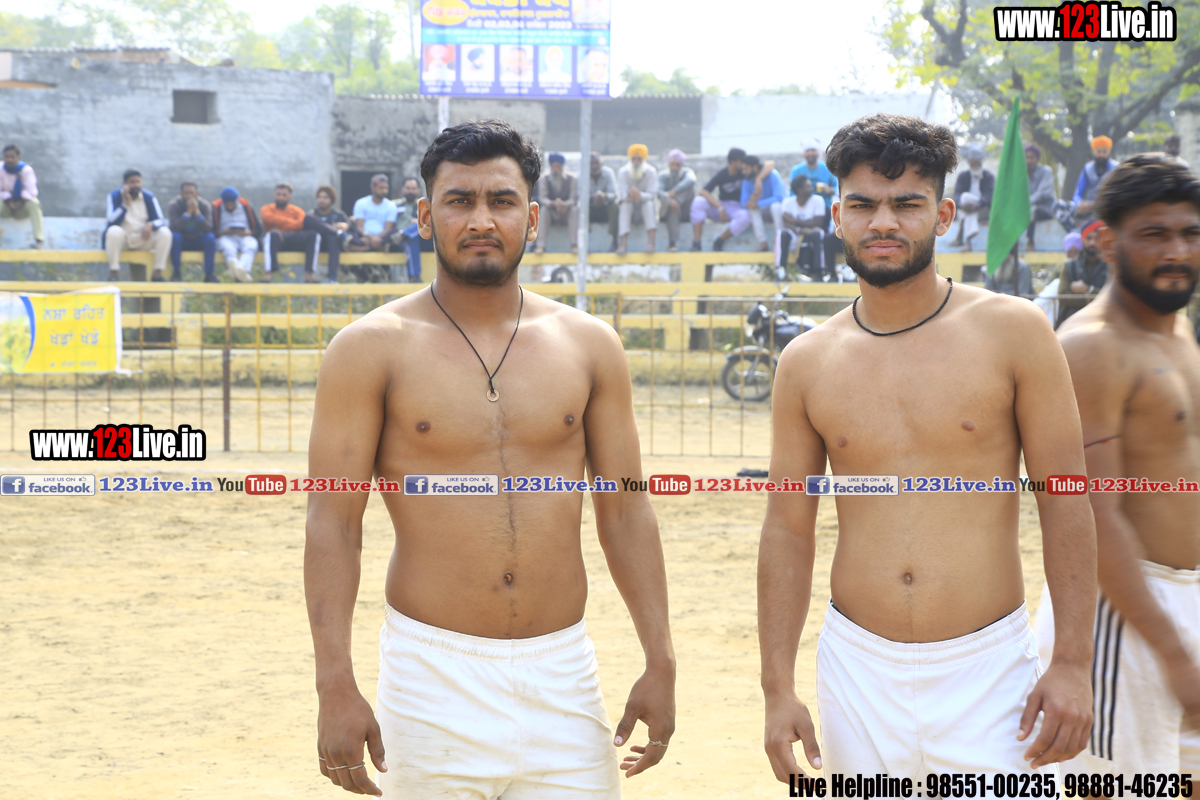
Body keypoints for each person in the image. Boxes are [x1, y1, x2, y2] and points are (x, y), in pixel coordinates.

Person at [305, 119, 675, 798]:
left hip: (563, 669)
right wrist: (334, 683)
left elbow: (626, 510)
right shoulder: (369, 349)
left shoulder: (590, 345)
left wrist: (661, 658)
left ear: (531, 219)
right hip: (430, 672)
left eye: (501, 201)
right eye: (460, 201)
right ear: (426, 217)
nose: (481, 220)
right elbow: (333, 520)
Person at [759, 113, 1096, 780]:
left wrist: (1072, 663)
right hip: (857, 668)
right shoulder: (807, 361)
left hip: (989, 667)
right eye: (863, 205)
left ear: (942, 216)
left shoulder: (1014, 332)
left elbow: (1066, 500)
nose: (883, 222)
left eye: (906, 204)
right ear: (837, 216)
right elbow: (788, 529)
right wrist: (777, 688)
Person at [1037, 154, 1200, 773]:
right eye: (1154, 234)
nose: (1177, 252)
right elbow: (1093, 519)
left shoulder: (1177, 330)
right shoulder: (1091, 347)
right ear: (1107, 242)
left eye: (1190, 233)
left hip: (1185, 601)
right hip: (1122, 618)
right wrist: (1174, 655)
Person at [103, 168, 172, 281]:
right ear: (124, 183)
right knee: (113, 231)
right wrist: (124, 205)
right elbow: (111, 221)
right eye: (132, 182)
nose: (136, 185)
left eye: (138, 182)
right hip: (123, 240)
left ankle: (157, 274)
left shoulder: (149, 197)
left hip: (143, 238)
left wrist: (150, 225)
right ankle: (114, 273)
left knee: (165, 233)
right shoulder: (114, 195)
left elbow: (160, 220)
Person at [789, 138, 840, 270]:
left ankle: (824, 267)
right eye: (807, 151)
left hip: (825, 209)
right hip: (803, 209)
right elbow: (791, 193)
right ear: (804, 153)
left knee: (824, 236)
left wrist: (829, 190)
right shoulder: (796, 170)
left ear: (817, 152)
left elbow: (838, 188)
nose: (810, 153)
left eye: (813, 150)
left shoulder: (827, 168)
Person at [690, 147, 751, 252]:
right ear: (733, 162)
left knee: (745, 216)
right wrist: (720, 207)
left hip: (737, 208)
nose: (744, 164)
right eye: (741, 161)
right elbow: (703, 192)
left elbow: (767, 166)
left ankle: (720, 240)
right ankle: (697, 243)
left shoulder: (746, 172)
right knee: (698, 201)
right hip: (722, 207)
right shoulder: (723, 174)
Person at [260, 182, 320, 283]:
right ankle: (269, 274)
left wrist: (280, 224)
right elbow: (268, 218)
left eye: (284, 195)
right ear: (274, 196)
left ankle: (309, 274)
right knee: (272, 235)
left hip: (294, 238)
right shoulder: (267, 208)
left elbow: (301, 223)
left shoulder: (297, 210)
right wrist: (292, 223)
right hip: (277, 239)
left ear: (290, 197)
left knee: (313, 235)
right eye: (278, 194)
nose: (281, 197)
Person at [1055, 220, 1108, 328]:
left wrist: (1087, 289)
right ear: (1083, 239)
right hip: (1073, 324)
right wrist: (1096, 297)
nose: (1092, 243)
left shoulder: (1111, 266)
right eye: (1089, 238)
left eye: (1097, 238)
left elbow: (1111, 299)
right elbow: (1062, 297)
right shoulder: (1070, 266)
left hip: (1102, 323)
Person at [777, 175, 827, 282]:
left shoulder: (818, 200)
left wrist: (795, 221)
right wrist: (801, 230)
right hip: (795, 236)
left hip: (812, 235)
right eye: (808, 186)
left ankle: (819, 272)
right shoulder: (788, 202)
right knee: (782, 234)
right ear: (799, 190)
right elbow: (785, 223)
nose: (812, 188)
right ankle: (781, 271)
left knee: (818, 234)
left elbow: (818, 222)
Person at [167, 182, 216, 282]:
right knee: (175, 237)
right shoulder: (174, 205)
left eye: (192, 193)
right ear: (181, 193)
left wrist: (197, 212)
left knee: (210, 238)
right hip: (182, 240)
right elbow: (174, 228)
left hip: (198, 239)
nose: (189, 196)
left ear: (197, 193)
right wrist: (188, 213)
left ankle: (209, 274)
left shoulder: (204, 205)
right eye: (186, 193)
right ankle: (176, 273)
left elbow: (208, 228)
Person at [950, 143, 995, 251]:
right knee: (965, 198)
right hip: (966, 208)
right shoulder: (963, 176)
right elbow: (956, 195)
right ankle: (968, 241)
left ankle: (962, 238)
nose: (975, 165)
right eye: (973, 162)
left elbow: (989, 197)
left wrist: (977, 205)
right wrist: (961, 205)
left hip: (983, 209)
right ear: (969, 163)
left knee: (966, 198)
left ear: (981, 162)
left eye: (977, 162)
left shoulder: (988, 177)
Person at [213, 186, 261, 283]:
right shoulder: (216, 207)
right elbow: (211, 230)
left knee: (251, 246)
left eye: (232, 203)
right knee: (228, 248)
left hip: (245, 236)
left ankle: (239, 268)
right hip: (225, 237)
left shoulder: (246, 205)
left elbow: (258, 229)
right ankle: (237, 267)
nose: (230, 206)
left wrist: (250, 233)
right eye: (227, 204)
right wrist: (222, 232)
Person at [0, 144, 44, 249]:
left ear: (18, 158)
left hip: (22, 208)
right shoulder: (1, 169)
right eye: (7, 157)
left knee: (34, 203)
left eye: (12, 157)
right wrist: (8, 199)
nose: (9, 160)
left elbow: (32, 192)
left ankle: (39, 240)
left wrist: (20, 201)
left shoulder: (26, 170)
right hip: (6, 207)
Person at [616, 143, 658, 255]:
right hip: (630, 206)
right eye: (634, 159)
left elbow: (652, 195)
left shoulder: (651, 172)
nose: (636, 162)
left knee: (648, 204)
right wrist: (630, 195)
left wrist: (639, 195)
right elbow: (622, 195)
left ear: (643, 160)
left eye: (639, 159)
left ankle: (651, 243)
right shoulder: (623, 172)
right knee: (625, 205)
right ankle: (623, 245)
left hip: (644, 207)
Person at [534, 153, 578, 255]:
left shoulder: (572, 178)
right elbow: (542, 198)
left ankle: (574, 245)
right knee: (543, 210)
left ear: (562, 167)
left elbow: (573, 199)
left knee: (574, 209)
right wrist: (554, 203)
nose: (555, 169)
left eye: (558, 166)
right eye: (553, 166)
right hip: (552, 211)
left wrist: (564, 204)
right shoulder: (544, 178)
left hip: (566, 211)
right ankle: (540, 246)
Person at [384, 177, 426, 282]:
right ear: (402, 189)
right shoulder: (393, 205)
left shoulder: (424, 206)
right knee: (411, 239)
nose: (410, 191)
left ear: (418, 190)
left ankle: (405, 234)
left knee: (422, 223)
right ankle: (414, 277)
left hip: (420, 238)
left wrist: (418, 221)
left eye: (413, 188)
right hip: (397, 240)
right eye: (408, 188)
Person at [1072, 136, 1120, 228]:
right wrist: (1079, 204)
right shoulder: (1087, 169)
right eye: (1098, 151)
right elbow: (1078, 194)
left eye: (1104, 152)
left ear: (1109, 152)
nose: (1101, 155)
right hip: (1088, 209)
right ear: (1093, 152)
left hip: (1109, 207)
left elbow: (1118, 194)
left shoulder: (1116, 169)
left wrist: (1095, 204)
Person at [742, 155, 785, 252]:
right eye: (743, 169)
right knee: (753, 210)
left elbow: (779, 197)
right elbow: (743, 203)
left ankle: (782, 240)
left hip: (779, 210)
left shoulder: (772, 175)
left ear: (755, 167)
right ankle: (763, 244)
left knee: (775, 207)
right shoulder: (746, 181)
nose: (744, 172)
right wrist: (752, 200)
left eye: (746, 169)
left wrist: (758, 203)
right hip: (763, 212)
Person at [657, 149, 695, 252]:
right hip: (668, 211)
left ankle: (676, 201)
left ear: (682, 165)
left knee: (688, 188)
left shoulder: (687, 173)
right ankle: (672, 243)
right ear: (669, 164)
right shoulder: (663, 176)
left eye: (678, 165)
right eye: (672, 164)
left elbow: (691, 180)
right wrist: (670, 200)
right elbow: (658, 192)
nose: (675, 167)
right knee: (673, 208)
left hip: (686, 211)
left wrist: (675, 192)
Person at [307, 185, 347, 283]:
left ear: (331, 200)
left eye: (325, 197)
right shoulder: (312, 215)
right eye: (319, 197)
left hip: (333, 246)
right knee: (310, 221)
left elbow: (349, 227)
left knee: (332, 238)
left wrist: (345, 226)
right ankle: (336, 232)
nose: (322, 200)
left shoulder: (338, 215)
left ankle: (332, 277)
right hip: (315, 246)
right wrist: (334, 229)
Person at [352, 174, 398, 252]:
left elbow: (388, 229)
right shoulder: (361, 203)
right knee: (348, 234)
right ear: (373, 188)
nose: (384, 191)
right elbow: (359, 227)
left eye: (386, 188)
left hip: (382, 239)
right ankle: (373, 247)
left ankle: (364, 248)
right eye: (381, 188)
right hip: (364, 237)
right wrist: (370, 237)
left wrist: (375, 238)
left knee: (396, 232)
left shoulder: (391, 206)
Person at [1026, 144, 1057, 250]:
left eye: (1032, 157)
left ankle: (1030, 242)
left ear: (1037, 159)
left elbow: (1042, 193)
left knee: (1033, 210)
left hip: (1045, 209)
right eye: (1026, 157)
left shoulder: (1046, 171)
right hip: (1027, 209)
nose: (1029, 160)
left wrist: (1024, 204)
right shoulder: (1021, 174)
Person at [587, 152, 620, 252]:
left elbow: (614, 194)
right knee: (580, 207)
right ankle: (584, 242)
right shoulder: (582, 174)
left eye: (596, 163)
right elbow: (580, 195)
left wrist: (604, 196)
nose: (594, 166)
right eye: (591, 163)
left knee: (615, 206)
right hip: (591, 210)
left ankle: (614, 241)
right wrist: (593, 197)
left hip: (605, 209)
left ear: (602, 164)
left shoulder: (608, 173)